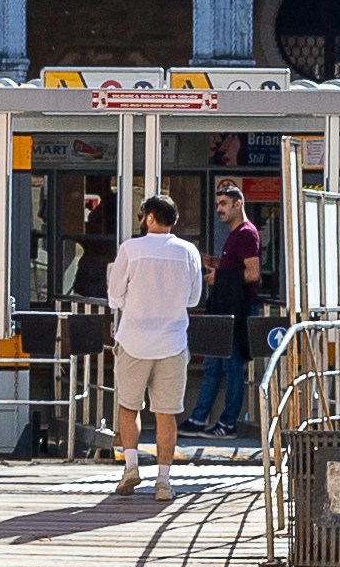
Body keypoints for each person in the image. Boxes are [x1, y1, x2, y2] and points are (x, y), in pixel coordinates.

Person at [105, 186, 202, 496]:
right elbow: (194, 297)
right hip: (172, 341)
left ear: (148, 217)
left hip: (133, 339)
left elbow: (115, 296)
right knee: (167, 412)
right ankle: (163, 481)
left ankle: (131, 467)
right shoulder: (188, 251)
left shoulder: (130, 249)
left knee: (127, 406)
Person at [188, 193, 268, 444]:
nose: (218, 209)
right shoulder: (235, 235)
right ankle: (199, 418)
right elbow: (237, 269)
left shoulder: (246, 233)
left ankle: (228, 422)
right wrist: (216, 266)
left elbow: (253, 274)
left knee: (232, 368)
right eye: (217, 204)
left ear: (238, 204)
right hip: (222, 309)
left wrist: (219, 277)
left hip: (237, 311)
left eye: (223, 204)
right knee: (213, 365)